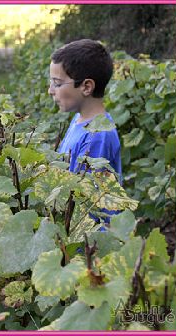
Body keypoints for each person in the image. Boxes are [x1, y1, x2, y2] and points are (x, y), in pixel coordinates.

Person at [49, 39, 122, 225]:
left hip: (88, 241)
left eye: (57, 83)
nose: (51, 91)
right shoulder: (79, 120)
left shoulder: (97, 136)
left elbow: (87, 202)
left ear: (86, 87)